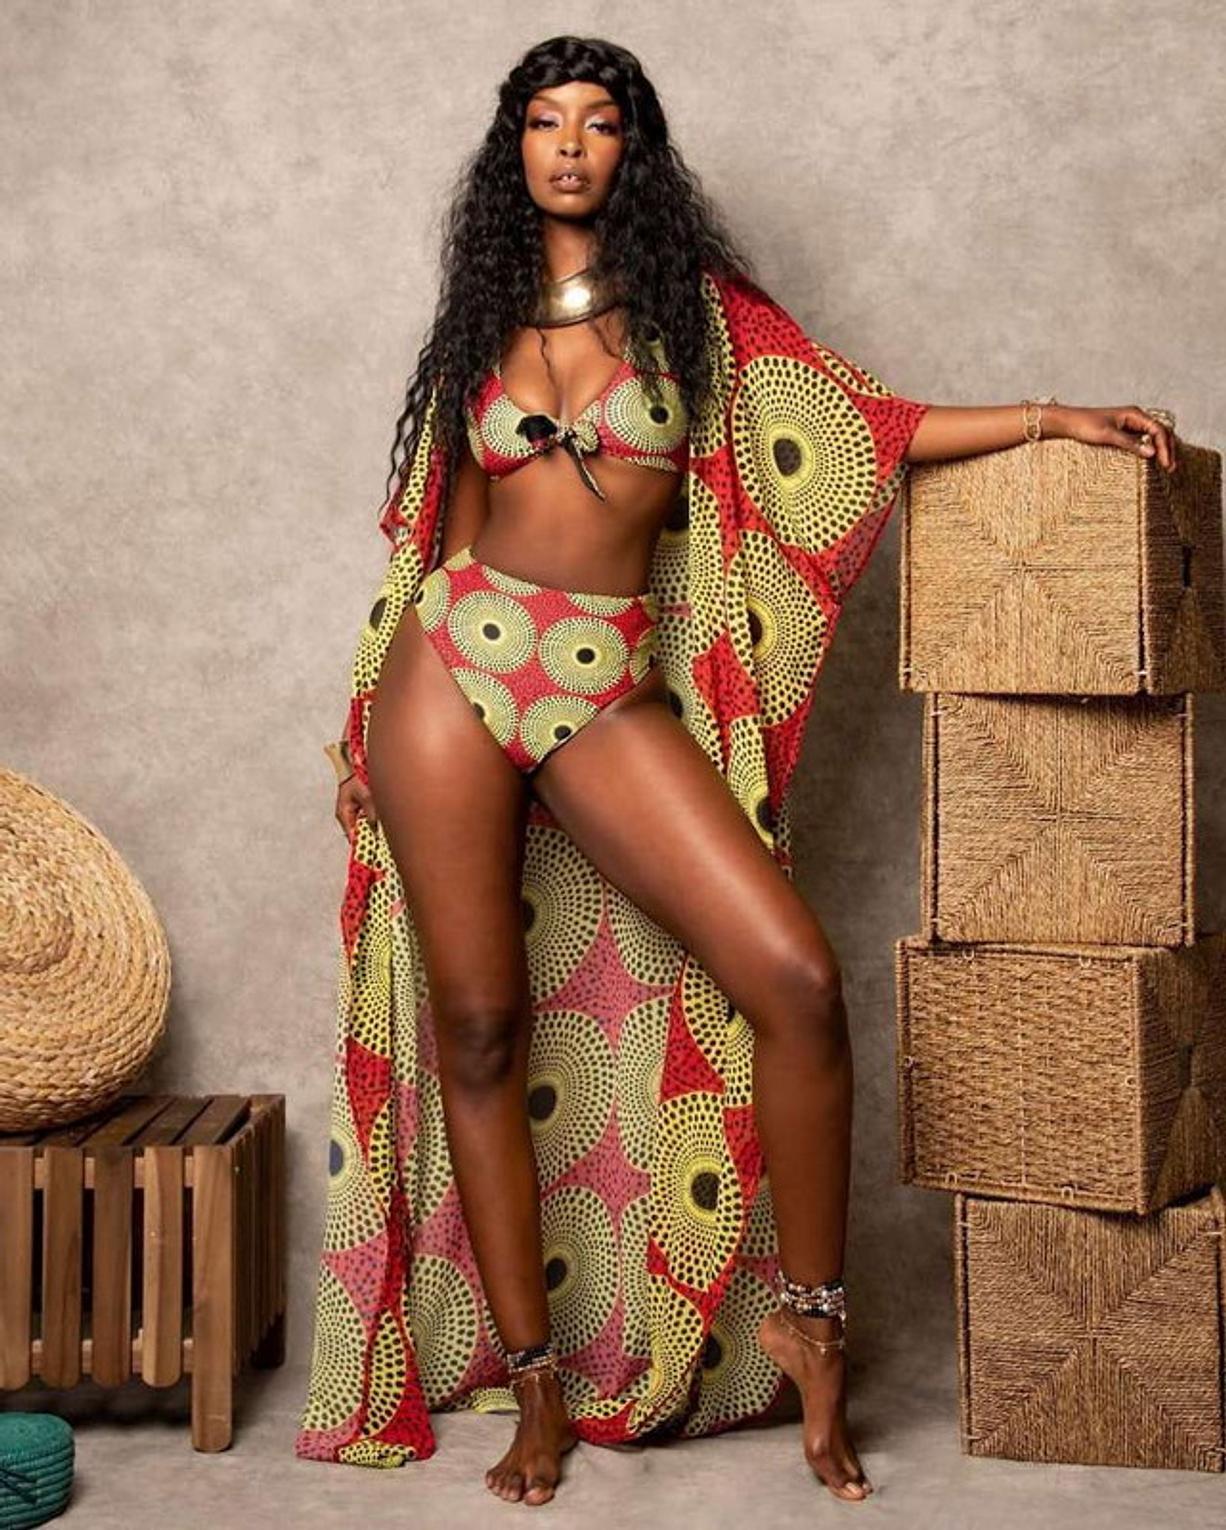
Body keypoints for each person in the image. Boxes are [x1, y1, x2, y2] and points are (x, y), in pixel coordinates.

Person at [295, 33, 1177, 1508]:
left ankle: (811, 1329)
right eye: (543, 121)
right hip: (446, 670)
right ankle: (534, 1384)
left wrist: (1048, 417)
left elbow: (867, 426)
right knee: (480, 1028)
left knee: (795, 978)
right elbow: (435, 542)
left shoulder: (698, 319)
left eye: (597, 123)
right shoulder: (479, 323)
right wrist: (359, 723)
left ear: (631, 150)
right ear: (514, 149)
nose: (568, 145)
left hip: (597, 677)